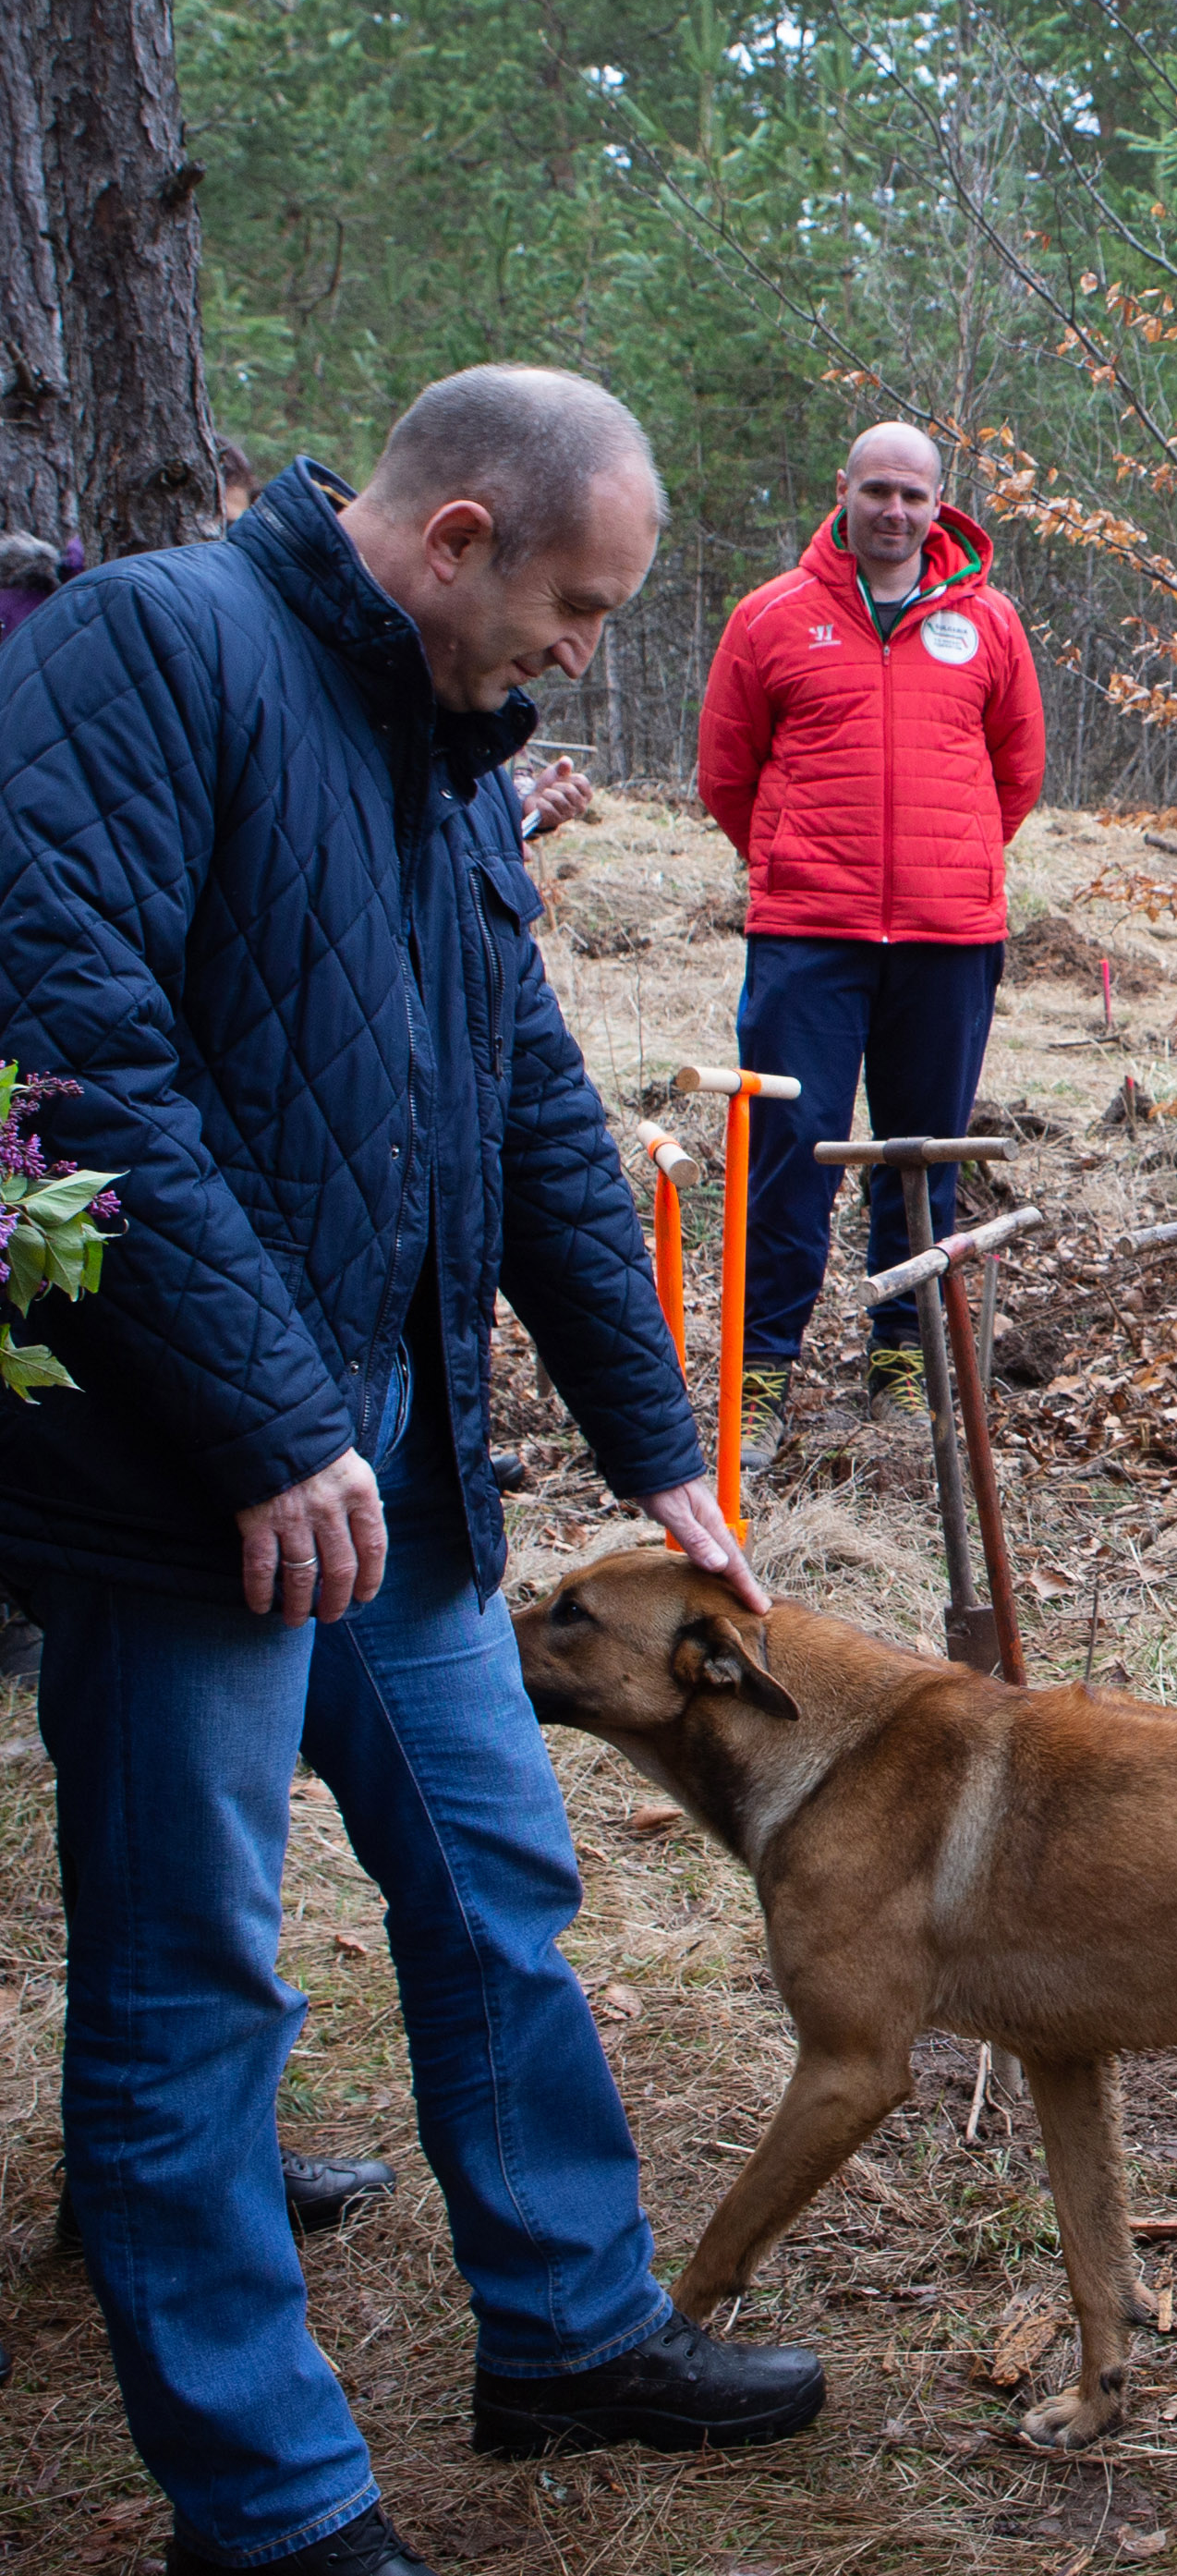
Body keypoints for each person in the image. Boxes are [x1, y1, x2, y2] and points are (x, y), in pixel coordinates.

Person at [0, 366, 820, 2576]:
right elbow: (70, 1057)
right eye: (573, 601)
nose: (585, 655)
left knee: (494, 1880)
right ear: (457, 533)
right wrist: (268, 1416)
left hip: (399, 1461)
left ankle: (564, 2325)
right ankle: (264, 2504)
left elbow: (531, 1105)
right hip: (189, 1461)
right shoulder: (147, 653)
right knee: (199, 1977)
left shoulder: (451, 754)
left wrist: (656, 1438)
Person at [698, 419, 1045, 1464]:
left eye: (915, 495)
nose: (895, 511)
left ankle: (903, 1357)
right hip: (808, 938)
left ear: (941, 504)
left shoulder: (987, 623)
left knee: (922, 1156)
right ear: (843, 492)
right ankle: (759, 1376)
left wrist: (949, 862)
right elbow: (728, 772)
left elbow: (1014, 772)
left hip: (948, 939)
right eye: (878, 490)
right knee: (789, 1157)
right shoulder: (770, 618)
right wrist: (803, 859)